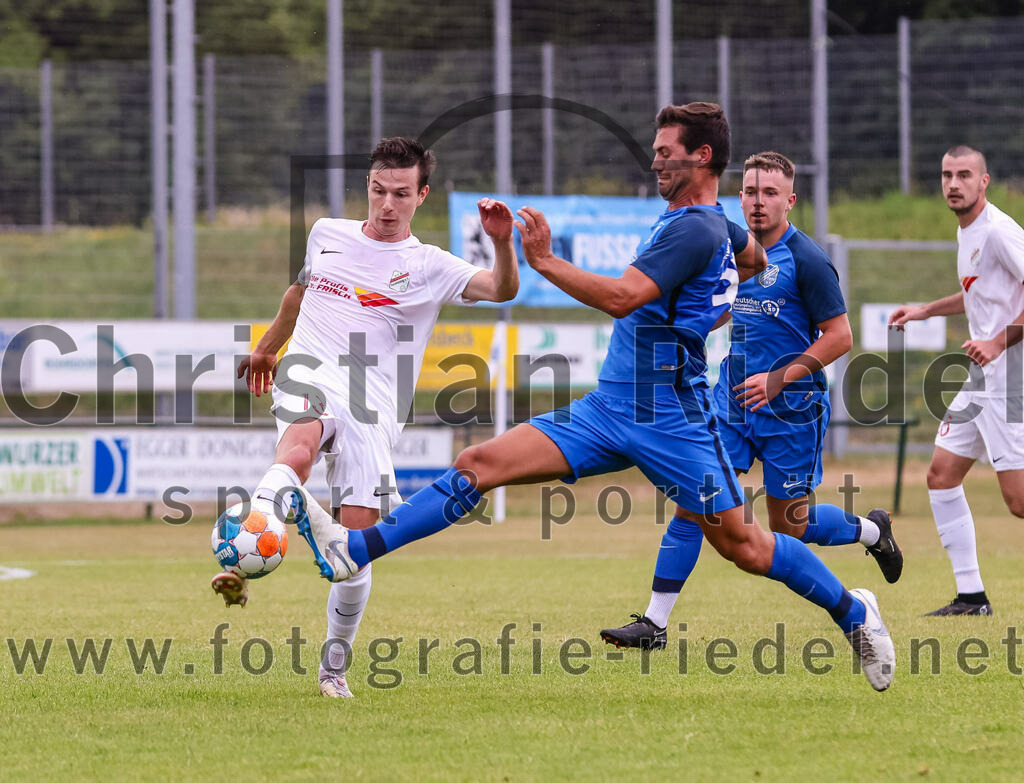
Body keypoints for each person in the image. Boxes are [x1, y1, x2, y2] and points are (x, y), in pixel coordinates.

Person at [292, 103, 897, 691]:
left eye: (665, 153)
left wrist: (545, 261)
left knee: (746, 545)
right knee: (479, 465)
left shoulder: (696, 225)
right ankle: (355, 550)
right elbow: (753, 255)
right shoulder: (712, 223)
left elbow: (620, 297)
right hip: (608, 406)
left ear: (702, 156)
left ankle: (854, 612)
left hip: (673, 419)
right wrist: (716, 295)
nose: (654, 163)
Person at [211, 137, 519, 698]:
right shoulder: (327, 232)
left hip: (374, 407)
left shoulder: (429, 265)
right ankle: (252, 538)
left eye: (401, 194)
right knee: (299, 446)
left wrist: (502, 246)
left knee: (353, 552)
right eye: (378, 190)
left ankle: (333, 667)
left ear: (421, 195)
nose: (386, 205)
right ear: (368, 187)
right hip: (308, 370)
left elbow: (501, 288)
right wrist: (267, 347)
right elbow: (299, 294)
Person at [600, 151, 903, 651]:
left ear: (790, 200)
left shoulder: (806, 258)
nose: (758, 203)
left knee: (792, 526)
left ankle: (872, 531)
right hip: (730, 403)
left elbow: (839, 336)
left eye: (769, 193)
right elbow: (717, 308)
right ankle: (653, 625)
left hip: (792, 412)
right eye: (749, 192)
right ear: (738, 196)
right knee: (694, 503)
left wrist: (779, 378)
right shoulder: (726, 249)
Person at [889, 145, 1024, 616]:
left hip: (1011, 380)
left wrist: (998, 343)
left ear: (984, 181)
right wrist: (925, 309)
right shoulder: (967, 232)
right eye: (947, 175)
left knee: (1018, 501)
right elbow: (978, 293)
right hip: (982, 377)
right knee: (942, 475)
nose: (953, 183)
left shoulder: (999, 232)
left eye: (964, 175)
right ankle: (971, 596)